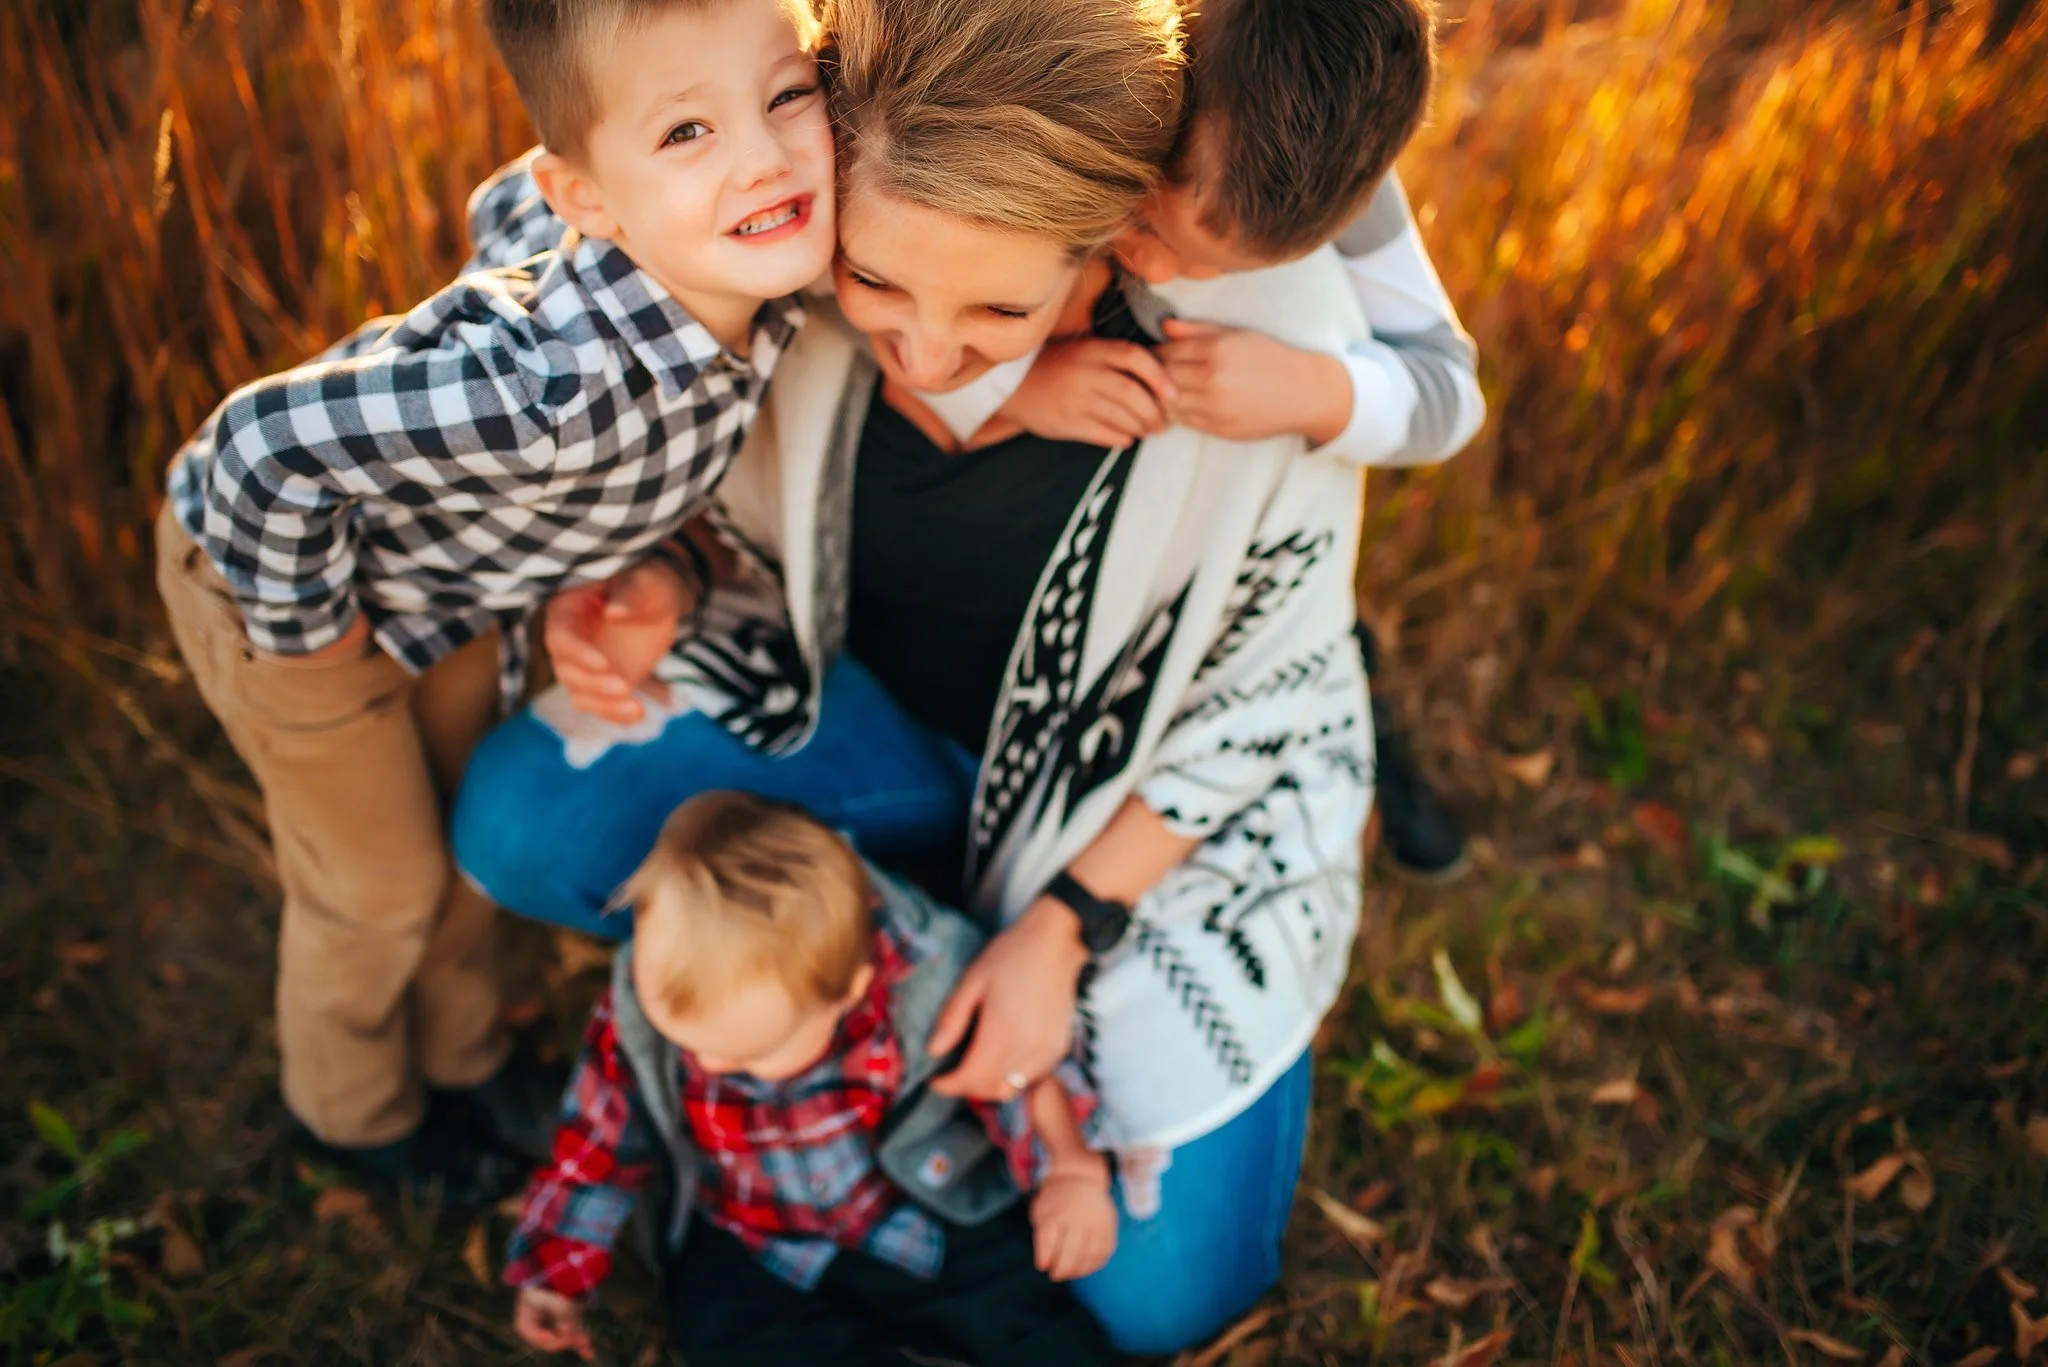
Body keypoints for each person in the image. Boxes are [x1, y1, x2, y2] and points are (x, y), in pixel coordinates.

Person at [457, 0, 1377, 1352]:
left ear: (1116, 240)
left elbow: (1267, 695)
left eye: (1001, 306)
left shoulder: (1249, 348)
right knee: (524, 821)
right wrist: (661, 580)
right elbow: (564, 245)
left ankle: (918, 950)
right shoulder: (789, 215)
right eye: (878, 285)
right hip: (878, 735)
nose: (927, 354)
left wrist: (1059, 929)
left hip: (1121, 819)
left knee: (1162, 1296)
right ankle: (885, 936)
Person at [152, 0, 837, 1202]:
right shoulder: (545, 388)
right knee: (379, 882)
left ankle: (467, 1056)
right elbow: (262, 447)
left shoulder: (748, 265)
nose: (762, 155)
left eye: (787, 95)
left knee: (462, 824)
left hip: (455, 583)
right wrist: (314, 633)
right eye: (686, 133)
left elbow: (504, 200)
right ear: (594, 198)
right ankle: (356, 1114)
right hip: (280, 592)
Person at [506, 792, 1115, 1365]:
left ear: (848, 992)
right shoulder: (648, 1006)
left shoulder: (918, 980)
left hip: (910, 1204)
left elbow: (1010, 1072)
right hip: (749, 1232)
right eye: (686, 1044)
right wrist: (554, 1267)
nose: (709, 1066)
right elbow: (598, 1136)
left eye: (749, 1055)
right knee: (736, 1339)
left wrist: (1066, 1167)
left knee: (1023, 1317)